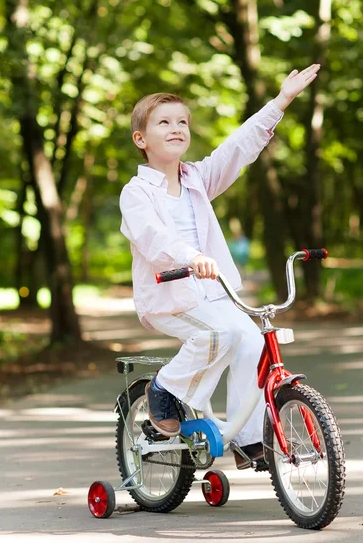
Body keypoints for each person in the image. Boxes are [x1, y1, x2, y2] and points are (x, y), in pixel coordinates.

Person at [119, 64, 320, 469]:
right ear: (141, 139)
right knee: (223, 333)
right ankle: (164, 389)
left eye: (182, 122)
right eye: (164, 122)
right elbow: (154, 238)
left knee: (253, 340)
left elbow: (237, 148)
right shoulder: (137, 192)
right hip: (169, 297)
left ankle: (246, 440)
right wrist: (192, 258)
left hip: (213, 294)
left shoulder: (197, 178)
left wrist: (281, 101)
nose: (176, 128)